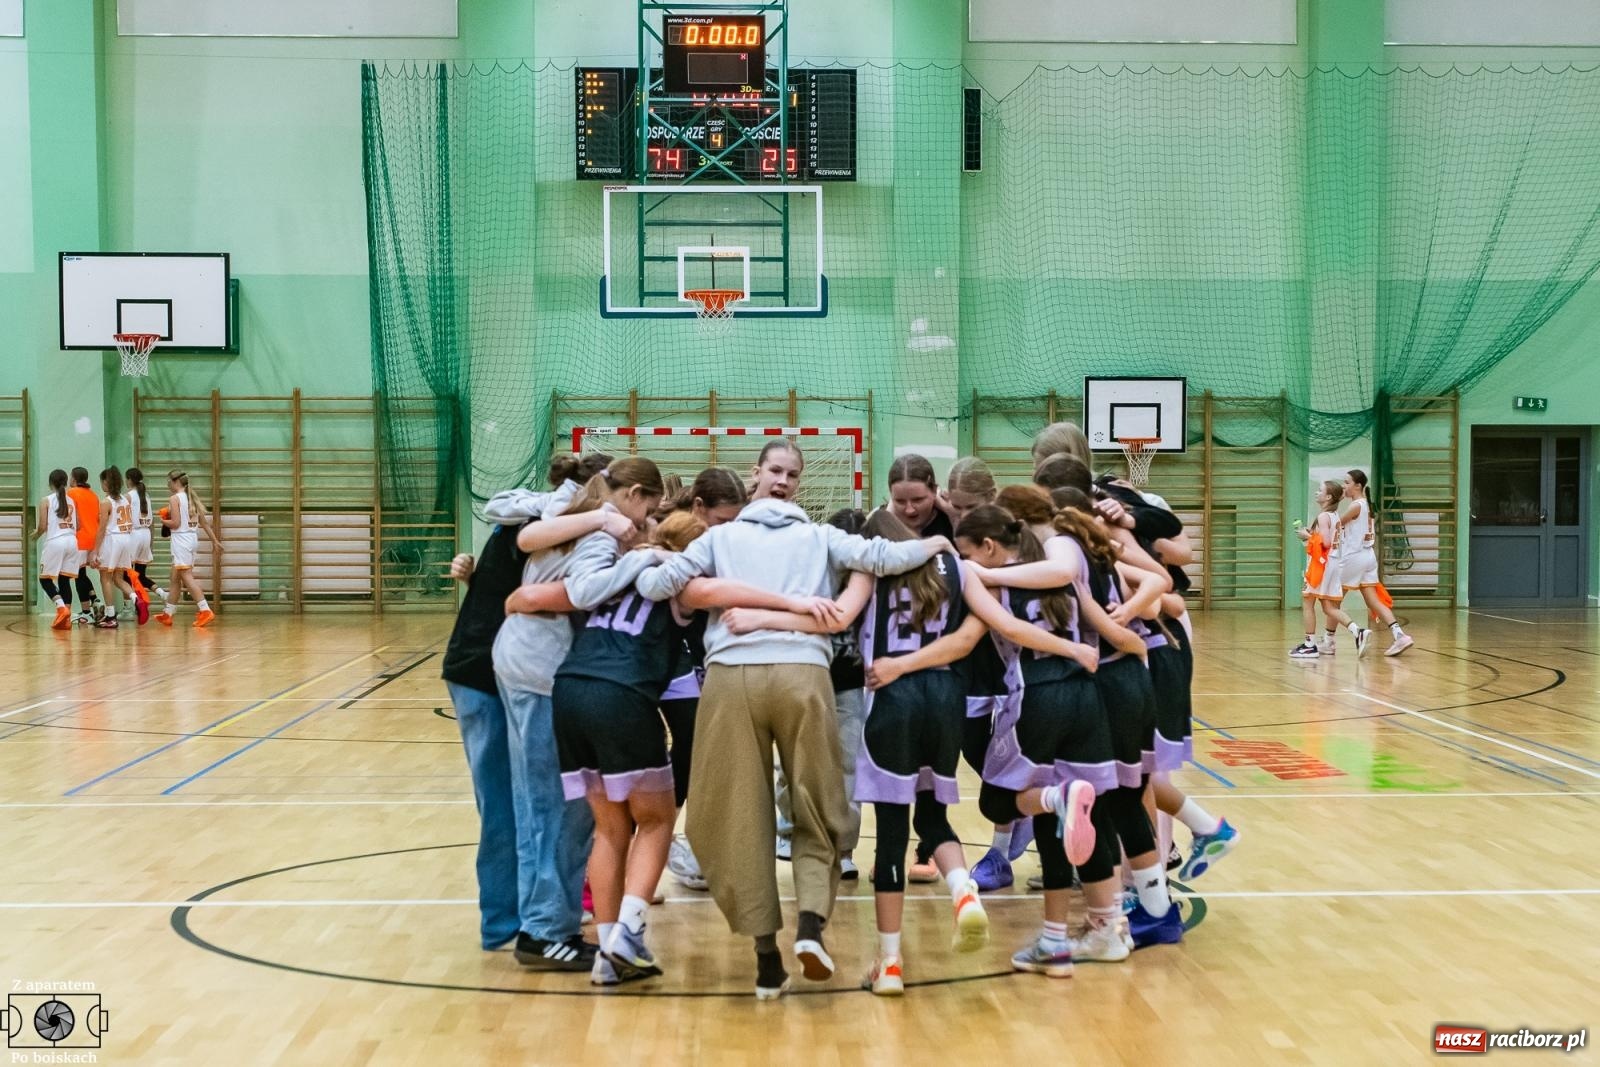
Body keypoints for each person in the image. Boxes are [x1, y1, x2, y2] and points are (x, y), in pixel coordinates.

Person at [632, 437, 950, 1000]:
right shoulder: (822, 538)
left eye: (789, 473)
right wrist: (941, 541)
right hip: (805, 677)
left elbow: (657, 586)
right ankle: (810, 924)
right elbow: (886, 557)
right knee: (819, 804)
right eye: (779, 470)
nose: (783, 479)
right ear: (758, 474)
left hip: (731, 679)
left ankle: (765, 958)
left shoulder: (719, 538)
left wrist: (673, 565)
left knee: (734, 815)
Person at [492, 457, 664, 972]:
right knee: (558, 806)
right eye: (646, 511)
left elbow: (512, 520)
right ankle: (545, 931)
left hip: (520, 659)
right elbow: (588, 589)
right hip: (541, 668)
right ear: (632, 495)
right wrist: (641, 559)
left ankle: (541, 924)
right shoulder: (601, 530)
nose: (642, 524)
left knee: (535, 802)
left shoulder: (572, 510)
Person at [439, 455, 607, 958]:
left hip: (482, 665)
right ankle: (523, 926)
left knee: (510, 804)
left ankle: (508, 925)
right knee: (521, 804)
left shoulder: (526, 515)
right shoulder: (550, 525)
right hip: (490, 672)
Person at [1337, 469, 1413, 657]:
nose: (1344, 486)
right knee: (1373, 601)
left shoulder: (1356, 506)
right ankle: (1400, 635)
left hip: (1354, 557)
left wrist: (1334, 500)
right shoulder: (1365, 505)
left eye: (1346, 482)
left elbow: (1335, 524)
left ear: (1358, 486)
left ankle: (1329, 641)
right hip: (1368, 556)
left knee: (1332, 601)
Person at [1291, 480, 1348, 658]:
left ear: (1329, 496)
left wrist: (1307, 535)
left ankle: (1310, 644)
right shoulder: (1334, 516)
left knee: (1308, 603)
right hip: (1331, 564)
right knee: (1327, 606)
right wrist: (1312, 534)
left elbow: (1326, 543)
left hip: (1320, 565)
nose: (1316, 493)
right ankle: (1341, 634)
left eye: (1320, 490)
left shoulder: (1324, 517)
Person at [157, 470, 220, 627]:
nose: (167, 484)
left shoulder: (174, 498)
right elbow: (204, 523)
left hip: (182, 541)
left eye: (168, 481)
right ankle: (168, 613)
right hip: (191, 539)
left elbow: (176, 524)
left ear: (175, 482)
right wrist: (215, 541)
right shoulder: (192, 497)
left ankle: (205, 610)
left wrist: (163, 520)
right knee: (175, 578)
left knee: (186, 577)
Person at [33, 468, 79, 630]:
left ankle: (61, 608)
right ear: (65, 483)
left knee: (45, 579)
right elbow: (78, 525)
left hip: (56, 541)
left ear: (50, 483)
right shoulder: (71, 501)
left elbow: (42, 526)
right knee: (64, 579)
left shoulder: (46, 500)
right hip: (72, 542)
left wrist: (35, 535)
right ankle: (66, 620)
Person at [91, 467, 137, 629]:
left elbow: (102, 528)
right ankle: (138, 600)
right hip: (126, 538)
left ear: (106, 482)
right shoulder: (126, 500)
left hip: (113, 540)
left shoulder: (105, 502)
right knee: (118, 578)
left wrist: (95, 551)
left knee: (105, 578)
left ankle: (110, 616)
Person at [65, 467, 102, 623]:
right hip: (93, 539)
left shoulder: (71, 493)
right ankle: (95, 599)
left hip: (80, 538)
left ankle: (86, 612)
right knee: (82, 573)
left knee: (78, 576)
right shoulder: (93, 495)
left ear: (73, 479)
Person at [124, 467, 162, 606]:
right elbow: (152, 522)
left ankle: (128, 607)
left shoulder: (128, 496)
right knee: (140, 574)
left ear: (129, 479)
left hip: (134, 534)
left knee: (125, 574)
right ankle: (161, 592)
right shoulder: (146, 496)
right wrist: (151, 543)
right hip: (146, 534)